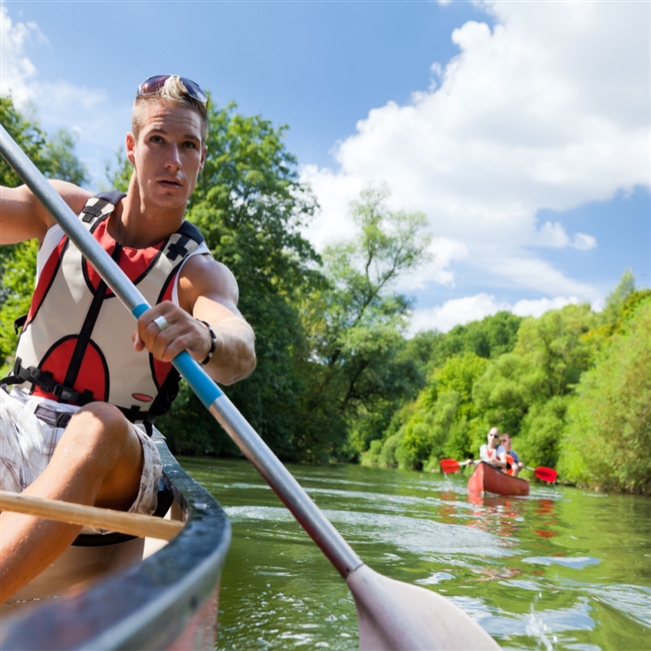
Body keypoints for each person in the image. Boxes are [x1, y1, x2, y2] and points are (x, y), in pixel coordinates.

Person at [0, 75, 256, 602]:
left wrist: (205, 337)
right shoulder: (62, 209)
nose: (173, 160)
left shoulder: (199, 274)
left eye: (189, 146)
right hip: (17, 416)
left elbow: (239, 346)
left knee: (98, 424)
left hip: (113, 464)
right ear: (131, 146)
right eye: (159, 140)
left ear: (202, 159)